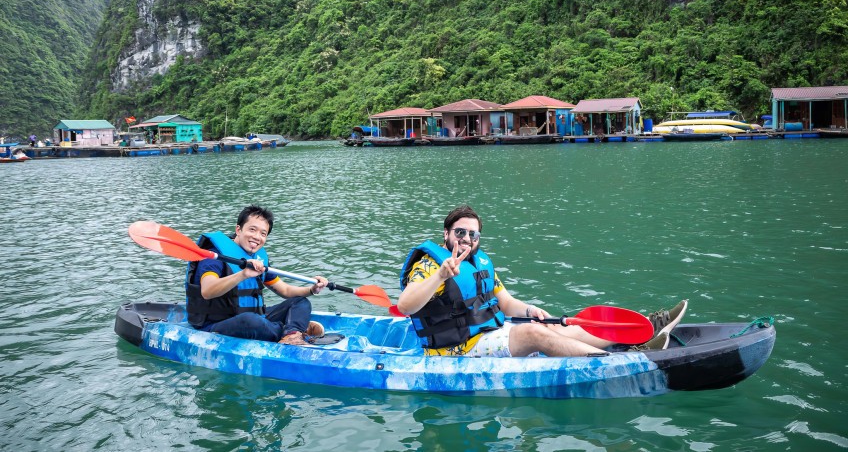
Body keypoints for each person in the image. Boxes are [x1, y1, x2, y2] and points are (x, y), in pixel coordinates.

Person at [397, 205, 687, 357]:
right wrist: (441, 275)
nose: (466, 239)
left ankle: (645, 329)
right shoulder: (430, 265)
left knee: (556, 328)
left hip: (489, 333)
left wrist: (529, 310)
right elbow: (406, 306)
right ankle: (621, 359)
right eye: (460, 232)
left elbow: (505, 301)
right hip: (455, 350)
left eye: (473, 234)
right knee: (533, 335)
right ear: (446, 233)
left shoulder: (479, 261)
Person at [185, 205, 328, 345]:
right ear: (238, 229)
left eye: (263, 233)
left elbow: (285, 290)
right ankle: (294, 331)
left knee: (300, 302)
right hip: (218, 324)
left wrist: (312, 289)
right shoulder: (214, 256)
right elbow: (207, 291)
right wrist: (242, 274)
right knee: (250, 321)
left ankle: (292, 334)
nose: (257, 237)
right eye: (252, 230)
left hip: (256, 317)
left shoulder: (258, 257)